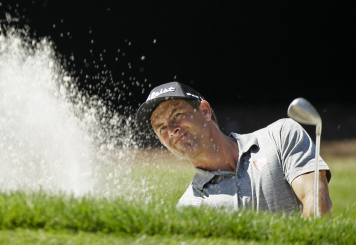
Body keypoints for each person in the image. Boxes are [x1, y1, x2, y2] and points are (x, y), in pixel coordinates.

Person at [136, 81, 332, 217]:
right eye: (161, 128)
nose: (171, 130)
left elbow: (315, 199)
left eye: (177, 114)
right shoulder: (189, 208)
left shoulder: (281, 135)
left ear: (204, 111)